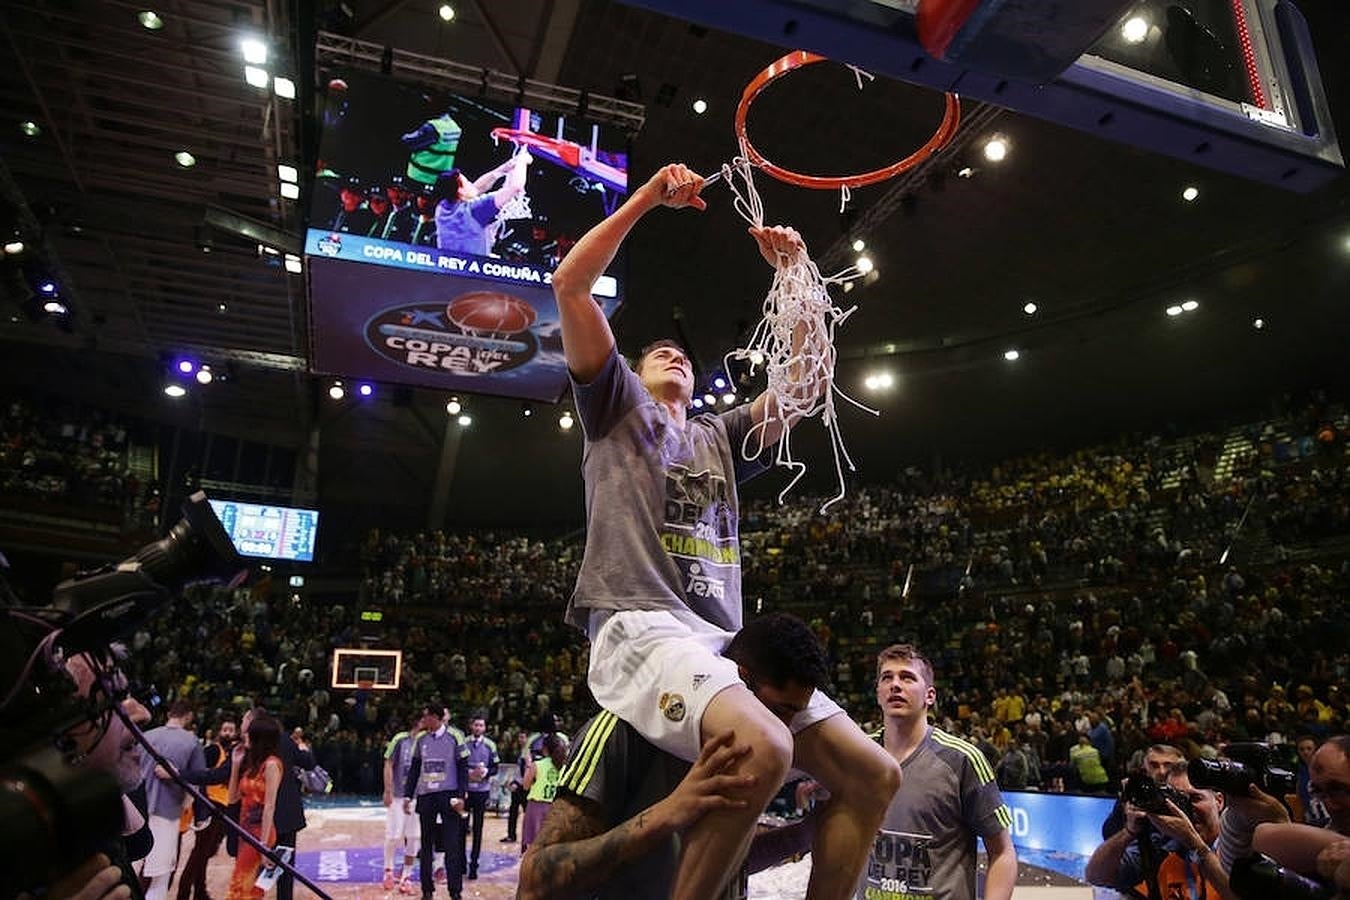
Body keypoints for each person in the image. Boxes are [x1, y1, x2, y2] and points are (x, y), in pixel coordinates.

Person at [551, 161, 901, 900]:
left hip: (717, 646)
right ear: (631, 372)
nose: (673, 354)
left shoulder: (716, 434)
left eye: (681, 353)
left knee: (875, 775)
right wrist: (647, 198)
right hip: (639, 629)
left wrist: (798, 278)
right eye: (657, 354)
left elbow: (802, 391)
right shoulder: (614, 409)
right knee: (766, 744)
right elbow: (569, 286)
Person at [518, 612, 835, 900]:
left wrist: (804, 833)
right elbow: (535, 879)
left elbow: (727, 863)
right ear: (739, 680)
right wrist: (666, 814)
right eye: (781, 710)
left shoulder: (739, 753)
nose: (785, 730)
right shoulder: (623, 727)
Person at [864, 643, 1017, 900]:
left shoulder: (962, 760)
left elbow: (1002, 852)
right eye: (886, 677)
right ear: (878, 693)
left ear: (930, 696)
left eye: (907, 677)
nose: (895, 685)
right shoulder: (856, 755)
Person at [1085, 760, 1237, 900]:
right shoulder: (1162, 845)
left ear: (1219, 801)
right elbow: (1096, 876)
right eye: (1177, 800)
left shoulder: (1239, 844)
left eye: (1195, 798)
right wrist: (1129, 832)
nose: (1184, 810)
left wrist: (1193, 842)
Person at [136, 700, 205, 900]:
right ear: (189, 716)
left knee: (131, 867)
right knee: (160, 875)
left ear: (169, 714)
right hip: (167, 811)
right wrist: (186, 808)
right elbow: (196, 782)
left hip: (138, 808)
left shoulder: (146, 736)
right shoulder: (192, 742)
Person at [403, 703, 469, 900]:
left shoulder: (455, 736)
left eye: (428, 717)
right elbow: (414, 769)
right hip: (426, 796)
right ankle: (427, 890)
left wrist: (461, 795)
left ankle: (455, 891)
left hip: (449, 795)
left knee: (451, 845)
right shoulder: (421, 739)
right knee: (426, 844)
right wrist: (408, 795)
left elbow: (463, 768)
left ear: (438, 718)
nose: (424, 720)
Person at [175, 717, 237, 900]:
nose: (228, 733)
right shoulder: (212, 750)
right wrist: (202, 811)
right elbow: (201, 778)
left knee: (205, 853)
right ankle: (184, 893)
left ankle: (199, 892)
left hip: (221, 807)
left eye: (231, 730)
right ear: (219, 732)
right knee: (200, 853)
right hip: (210, 807)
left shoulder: (231, 753)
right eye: (225, 729)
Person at [225, 712, 284, 900]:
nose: (245, 736)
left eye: (249, 734)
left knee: (240, 886)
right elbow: (232, 798)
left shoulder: (272, 765)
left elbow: (270, 807)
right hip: (244, 830)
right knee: (249, 888)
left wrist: (264, 846)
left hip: (260, 833)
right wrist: (235, 766)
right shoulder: (252, 765)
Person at [433, 153, 531, 256]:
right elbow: (515, 188)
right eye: (467, 182)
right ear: (460, 191)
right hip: (471, 269)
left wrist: (504, 168)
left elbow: (476, 189)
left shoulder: (442, 208)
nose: (471, 184)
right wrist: (522, 161)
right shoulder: (476, 210)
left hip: (445, 267)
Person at [1102, 743, 1186, 838]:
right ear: (1145, 769)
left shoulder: (1191, 794)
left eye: (1168, 765)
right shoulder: (1137, 793)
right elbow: (1108, 834)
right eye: (1154, 765)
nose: (1162, 772)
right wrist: (1124, 804)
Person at [382, 714, 424, 893]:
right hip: (399, 795)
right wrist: (388, 790)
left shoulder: (429, 742)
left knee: (414, 837)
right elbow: (388, 763)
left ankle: (407, 876)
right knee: (393, 835)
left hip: (419, 796)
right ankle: (388, 871)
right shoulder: (400, 739)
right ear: (417, 722)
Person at [461, 713, 499, 879]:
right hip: (466, 792)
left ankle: (474, 864)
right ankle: (461, 863)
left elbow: (495, 767)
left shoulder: (490, 745)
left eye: (481, 725)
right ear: (471, 726)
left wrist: (485, 772)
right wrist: (468, 773)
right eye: (476, 725)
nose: (478, 728)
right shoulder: (464, 743)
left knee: (478, 829)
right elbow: (458, 764)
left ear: (485, 728)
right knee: (461, 829)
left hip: (481, 792)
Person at [521, 732, 568, 853]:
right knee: (552, 846)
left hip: (536, 808)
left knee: (535, 848)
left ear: (545, 749)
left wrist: (527, 765)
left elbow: (525, 786)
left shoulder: (537, 765)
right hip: (556, 807)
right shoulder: (564, 766)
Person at [402, 111, 461, 186]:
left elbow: (409, 142)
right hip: (439, 178)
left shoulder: (433, 127)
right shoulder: (454, 126)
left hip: (420, 176)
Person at [500, 730, 530, 844]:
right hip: (517, 786)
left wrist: (518, 783)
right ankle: (511, 835)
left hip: (525, 787)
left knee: (527, 813)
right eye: (519, 737)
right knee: (513, 812)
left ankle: (528, 837)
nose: (520, 740)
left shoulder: (529, 753)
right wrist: (512, 781)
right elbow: (518, 770)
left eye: (523, 737)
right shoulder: (520, 752)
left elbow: (527, 771)